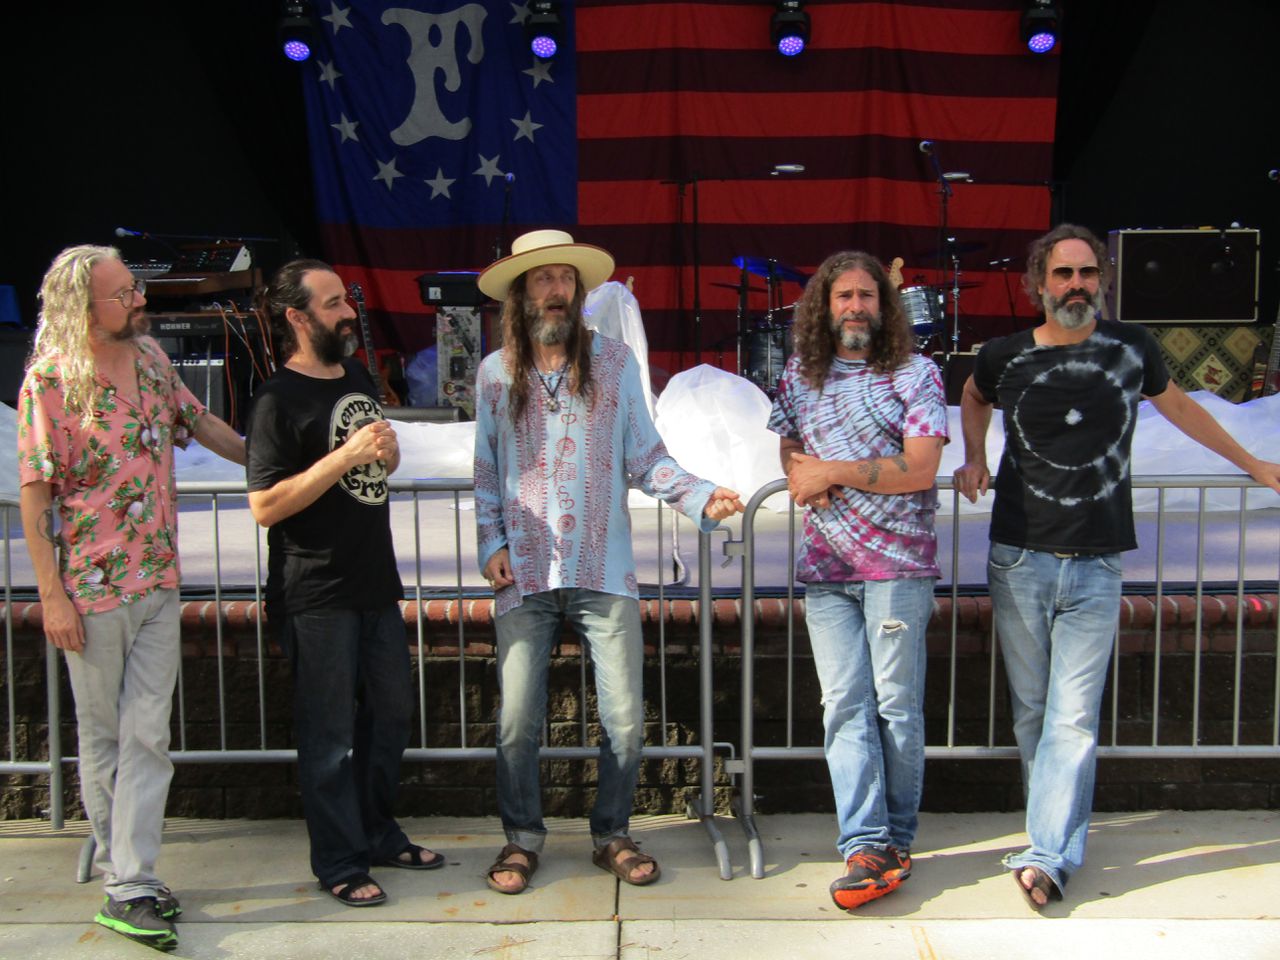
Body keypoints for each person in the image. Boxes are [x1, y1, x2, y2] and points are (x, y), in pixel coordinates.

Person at [953, 223, 1280, 909]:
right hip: (1019, 558)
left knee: (1072, 718)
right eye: (1063, 274)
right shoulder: (1004, 354)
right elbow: (974, 396)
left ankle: (1050, 855)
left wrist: (1252, 462)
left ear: (1103, 281)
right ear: (1038, 285)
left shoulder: (1133, 347)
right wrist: (975, 456)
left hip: (1097, 562)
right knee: (1033, 713)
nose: (1076, 285)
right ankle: (1049, 839)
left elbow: (1180, 407)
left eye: (1087, 273)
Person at [472, 229, 743, 894]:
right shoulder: (495, 374)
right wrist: (491, 543)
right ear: (520, 293)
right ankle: (522, 837)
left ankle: (612, 834)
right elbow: (485, 470)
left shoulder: (615, 364)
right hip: (525, 570)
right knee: (516, 721)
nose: (556, 290)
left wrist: (700, 496)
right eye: (542, 278)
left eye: (566, 278)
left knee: (624, 720)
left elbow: (647, 458)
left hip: (603, 566)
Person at [17, 244, 246, 950]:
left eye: (135, 289)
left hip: (157, 578)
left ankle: (135, 876)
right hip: (91, 589)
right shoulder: (49, 382)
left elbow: (199, 424)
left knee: (150, 734)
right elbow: (35, 495)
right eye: (124, 294)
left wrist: (272, 457)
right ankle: (127, 882)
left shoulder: (150, 360)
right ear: (82, 308)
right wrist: (51, 596)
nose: (140, 300)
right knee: (105, 737)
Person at [245, 259, 443, 908]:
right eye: (331, 303)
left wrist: (386, 452)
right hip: (315, 590)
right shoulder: (275, 400)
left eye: (345, 300)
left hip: (374, 579)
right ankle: (338, 861)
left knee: (391, 715)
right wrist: (346, 456)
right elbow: (265, 505)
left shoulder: (356, 375)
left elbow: (376, 463)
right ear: (298, 318)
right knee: (329, 737)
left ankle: (377, 833)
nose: (348, 312)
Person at [767, 251, 948, 910]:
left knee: (895, 705)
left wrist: (832, 472)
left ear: (884, 304)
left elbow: (921, 467)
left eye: (866, 295)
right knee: (843, 705)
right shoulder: (798, 373)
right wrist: (798, 470)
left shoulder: (916, 374)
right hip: (825, 569)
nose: (854, 307)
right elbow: (789, 443)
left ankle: (895, 840)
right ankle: (865, 844)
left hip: (897, 568)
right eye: (842, 296)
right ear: (824, 306)